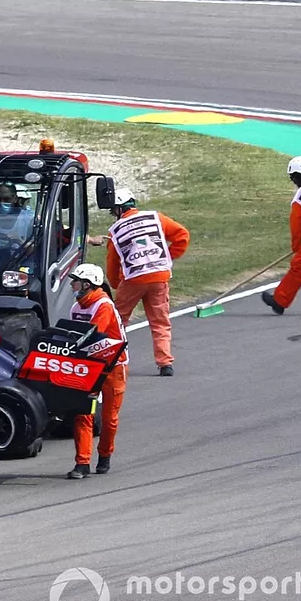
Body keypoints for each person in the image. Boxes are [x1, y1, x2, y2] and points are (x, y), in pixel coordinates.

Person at [105, 187, 190, 377]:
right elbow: (182, 235)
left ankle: (113, 360)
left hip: (133, 279)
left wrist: (115, 283)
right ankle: (165, 362)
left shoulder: (115, 231)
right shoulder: (156, 217)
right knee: (160, 322)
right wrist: (169, 257)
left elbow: (112, 262)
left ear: (119, 209)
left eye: (113, 211)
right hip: (159, 276)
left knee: (118, 322)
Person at [66, 263, 129, 479]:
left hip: (114, 365)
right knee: (83, 413)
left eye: (75, 281)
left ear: (87, 284)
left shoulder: (103, 305)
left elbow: (93, 334)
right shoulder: (76, 307)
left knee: (110, 417)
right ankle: (82, 463)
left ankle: (105, 455)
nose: (72, 285)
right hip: (88, 364)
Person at [262, 155, 301, 314]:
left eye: (293, 178)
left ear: (299, 177)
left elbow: (296, 222)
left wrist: (296, 246)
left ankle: (280, 300)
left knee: (299, 266)